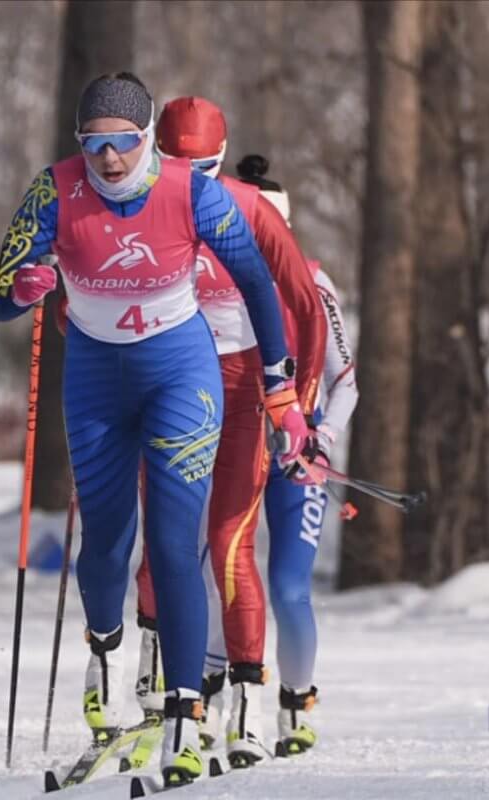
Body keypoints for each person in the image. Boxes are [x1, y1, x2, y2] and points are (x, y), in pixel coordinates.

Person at [0, 72, 308, 787]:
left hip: (179, 374)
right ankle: (106, 651)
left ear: (147, 135)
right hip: (97, 381)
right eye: (94, 144)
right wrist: (22, 288)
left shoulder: (189, 190)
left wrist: (281, 385)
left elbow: (257, 281)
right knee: (104, 541)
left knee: (170, 539)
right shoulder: (54, 190)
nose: (110, 158)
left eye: (124, 142)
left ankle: (185, 714)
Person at [131, 96, 326, 768]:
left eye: (204, 170)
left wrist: (297, 405)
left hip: (243, 387)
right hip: (170, 381)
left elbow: (308, 306)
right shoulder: (134, 201)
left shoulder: (250, 207)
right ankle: (159, 692)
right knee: (163, 538)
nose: (191, 184)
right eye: (176, 167)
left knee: (228, 543)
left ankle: (245, 703)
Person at [238, 153, 360, 757]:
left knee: (289, 586)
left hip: (296, 451)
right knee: (222, 574)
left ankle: (296, 702)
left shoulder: (312, 280)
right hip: (232, 442)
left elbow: (348, 381)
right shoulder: (213, 272)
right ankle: (222, 694)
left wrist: (320, 440)